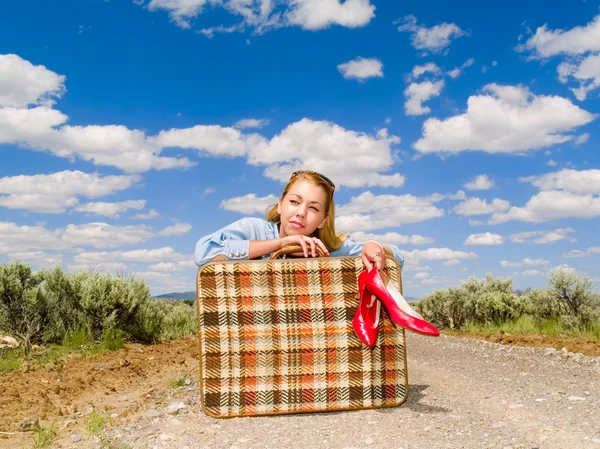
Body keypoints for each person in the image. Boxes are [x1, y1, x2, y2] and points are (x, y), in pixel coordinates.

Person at [194, 170, 404, 271]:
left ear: (322, 220)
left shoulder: (329, 248)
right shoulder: (252, 229)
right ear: (280, 205)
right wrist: (280, 244)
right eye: (295, 201)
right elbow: (203, 254)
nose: (301, 212)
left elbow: (398, 258)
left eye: (313, 207)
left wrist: (376, 248)